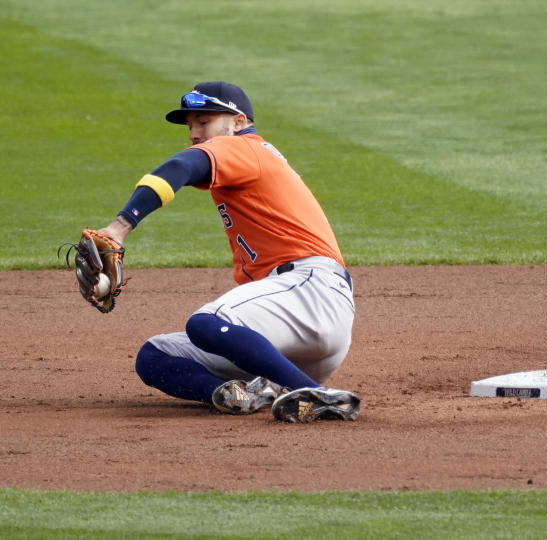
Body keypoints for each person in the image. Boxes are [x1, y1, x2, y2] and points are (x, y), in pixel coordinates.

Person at [92, 81, 359, 422]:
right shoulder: (247, 159)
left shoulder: (248, 147)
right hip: (293, 333)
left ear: (238, 121)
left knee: (206, 323)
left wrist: (119, 227)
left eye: (203, 122)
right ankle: (238, 394)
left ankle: (317, 395)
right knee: (155, 355)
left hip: (309, 292)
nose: (193, 133)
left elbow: (180, 168)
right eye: (190, 127)